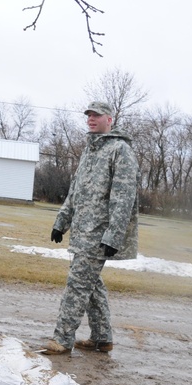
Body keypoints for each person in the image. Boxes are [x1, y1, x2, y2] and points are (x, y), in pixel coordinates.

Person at [44, 101, 139, 356]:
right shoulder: (90, 151)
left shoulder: (120, 150)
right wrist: (61, 222)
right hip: (81, 232)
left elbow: (124, 198)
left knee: (77, 286)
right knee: (92, 286)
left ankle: (62, 339)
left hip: (99, 235)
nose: (91, 119)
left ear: (110, 119)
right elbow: (76, 190)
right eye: (88, 115)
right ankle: (101, 338)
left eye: (96, 115)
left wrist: (114, 235)